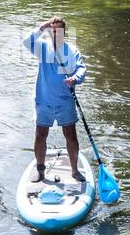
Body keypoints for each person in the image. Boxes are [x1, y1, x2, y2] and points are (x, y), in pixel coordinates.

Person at [22, 17, 87, 183]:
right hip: (44, 100)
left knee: (70, 135)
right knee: (40, 135)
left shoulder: (71, 51)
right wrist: (42, 27)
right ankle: (40, 171)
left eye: (58, 30)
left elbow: (81, 69)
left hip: (65, 100)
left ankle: (74, 171)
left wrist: (75, 79)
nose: (55, 33)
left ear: (64, 33)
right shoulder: (42, 47)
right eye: (52, 30)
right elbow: (26, 41)